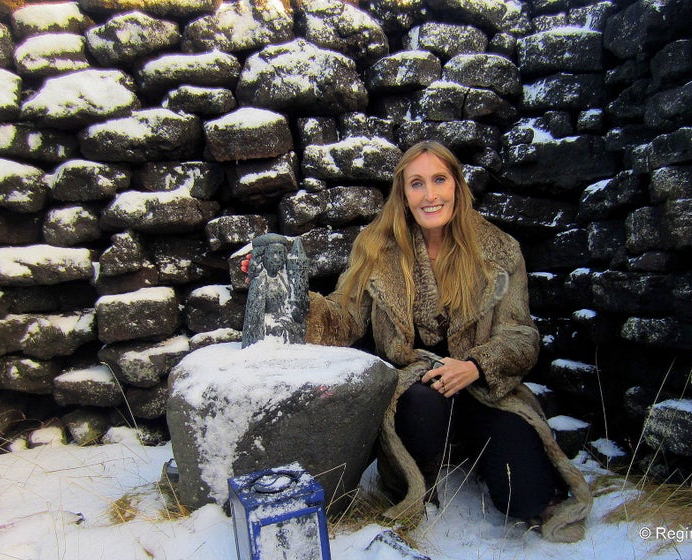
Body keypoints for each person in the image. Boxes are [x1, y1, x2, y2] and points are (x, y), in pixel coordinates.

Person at [242, 141, 592, 542]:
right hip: (419, 391)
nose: (430, 195)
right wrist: (285, 290)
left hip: (484, 389)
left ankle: (480, 453)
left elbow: (520, 335)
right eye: (417, 184)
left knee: (527, 498)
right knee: (423, 402)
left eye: (439, 180)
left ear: (457, 185)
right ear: (403, 194)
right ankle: (416, 482)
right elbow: (343, 317)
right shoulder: (377, 247)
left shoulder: (500, 250)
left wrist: (476, 366)